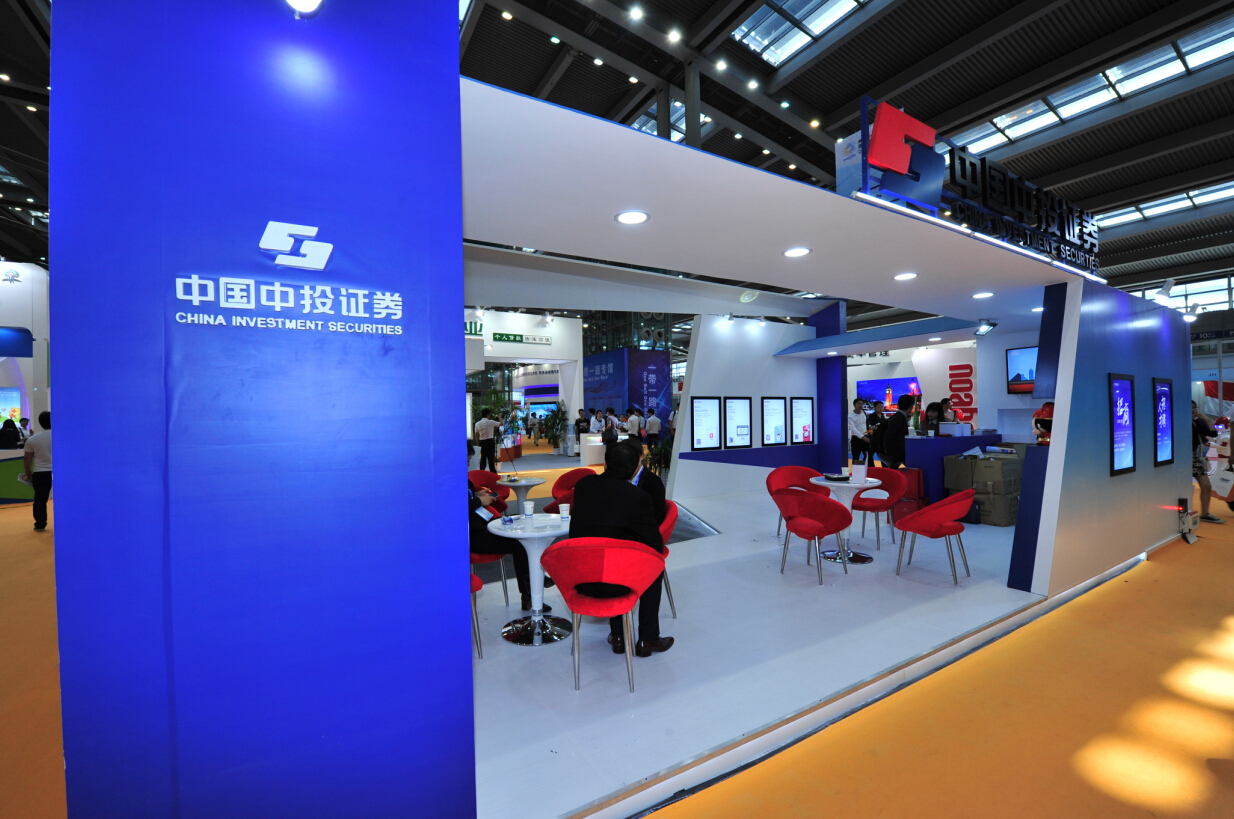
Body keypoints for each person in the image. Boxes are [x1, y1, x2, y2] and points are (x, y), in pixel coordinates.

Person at [569, 439, 673, 657]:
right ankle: (648, 639)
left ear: (605, 464)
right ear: (635, 468)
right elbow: (655, 544)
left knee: (609, 560)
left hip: (580, 578)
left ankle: (617, 636)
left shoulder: (583, 486)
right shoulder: (638, 497)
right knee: (654, 565)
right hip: (618, 584)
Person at [468, 478, 549, 610]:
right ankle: (530, 592)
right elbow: (455, 508)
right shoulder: (448, 480)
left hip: (481, 523)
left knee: (519, 523)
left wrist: (476, 495)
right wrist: (478, 501)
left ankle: (533, 587)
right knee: (520, 542)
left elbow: (464, 499)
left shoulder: (461, 478)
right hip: (470, 535)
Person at [1194, 402, 1224, 524]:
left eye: (1194, 407)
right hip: (1181, 457)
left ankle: (1205, 513)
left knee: (1206, 485)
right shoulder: (1180, 422)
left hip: (1194, 456)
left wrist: (1206, 419)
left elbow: (1213, 433)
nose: (1193, 410)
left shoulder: (1197, 423)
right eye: (1190, 408)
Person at [22, 411, 51, 532]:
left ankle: (40, 524)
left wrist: (28, 473)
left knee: (40, 499)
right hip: (61, 472)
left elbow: (27, 459)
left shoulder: (32, 439)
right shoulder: (62, 437)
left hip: (41, 472)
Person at [882, 394, 913, 469]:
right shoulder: (899, 418)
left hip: (894, 453)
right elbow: (889, 435)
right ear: (911, 406)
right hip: (895, 454)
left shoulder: (897, 417)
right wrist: (889, 453)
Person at [475, 409, 502, 473]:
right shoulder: (491, 422)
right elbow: (501, 424)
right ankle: (493, 474)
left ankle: (481, 473)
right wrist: (499, 417)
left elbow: (476, 434)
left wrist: (478, 443)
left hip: (482, 442)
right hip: (490, 442)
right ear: (488, 415)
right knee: (491, 459)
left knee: (483, 459)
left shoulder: (477, 424)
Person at [848, 398, 869, 464]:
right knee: (856, 457)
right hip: (856, 439)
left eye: (862, 404)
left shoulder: (863, 413)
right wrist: (862, 437)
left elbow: (866, 424)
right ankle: (855, 470)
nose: (860, 405)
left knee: (868, 456)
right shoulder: (850, 416)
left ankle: (866, 468)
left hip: (866, 437)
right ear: (854, 405)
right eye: (858, 404)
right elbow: (853, 429)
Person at [869, 401, 887, 465]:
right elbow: (869, 429)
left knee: (883, 456)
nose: (881, 408)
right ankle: (871, 469)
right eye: (879, 407)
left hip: (881, 439)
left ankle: (884, 469)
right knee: (870, 455)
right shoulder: (871, 417)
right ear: (875, 408)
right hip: (873, 439)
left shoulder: (883, 416)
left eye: (882, 406)